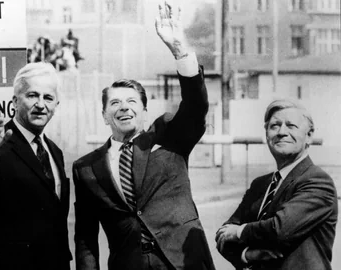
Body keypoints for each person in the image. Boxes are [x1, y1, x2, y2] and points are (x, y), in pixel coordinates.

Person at [72, 3, 216, 270]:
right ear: (104, 115)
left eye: (131, 101)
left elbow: (195, 107)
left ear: (145, 112)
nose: (124, 107)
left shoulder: (169, 137)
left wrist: (179, 49)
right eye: (114, 103)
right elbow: (85, 237)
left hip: (184, 262)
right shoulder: (86, 169)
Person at [0, 62, 72, 270]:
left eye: (48, 98)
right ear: (15, 102)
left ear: (56, 105)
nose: (40, 104)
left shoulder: (55, 152)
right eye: (32, 95)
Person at [215, 99, 338, 270]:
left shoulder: (317, 182)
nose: (281, 132)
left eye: (291, 126)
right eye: (274, 126)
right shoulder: (260, 184)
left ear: (309, 136)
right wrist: (246, 256)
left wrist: (239, 232)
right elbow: (223, 235)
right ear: (266, 135)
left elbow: (280, 229)